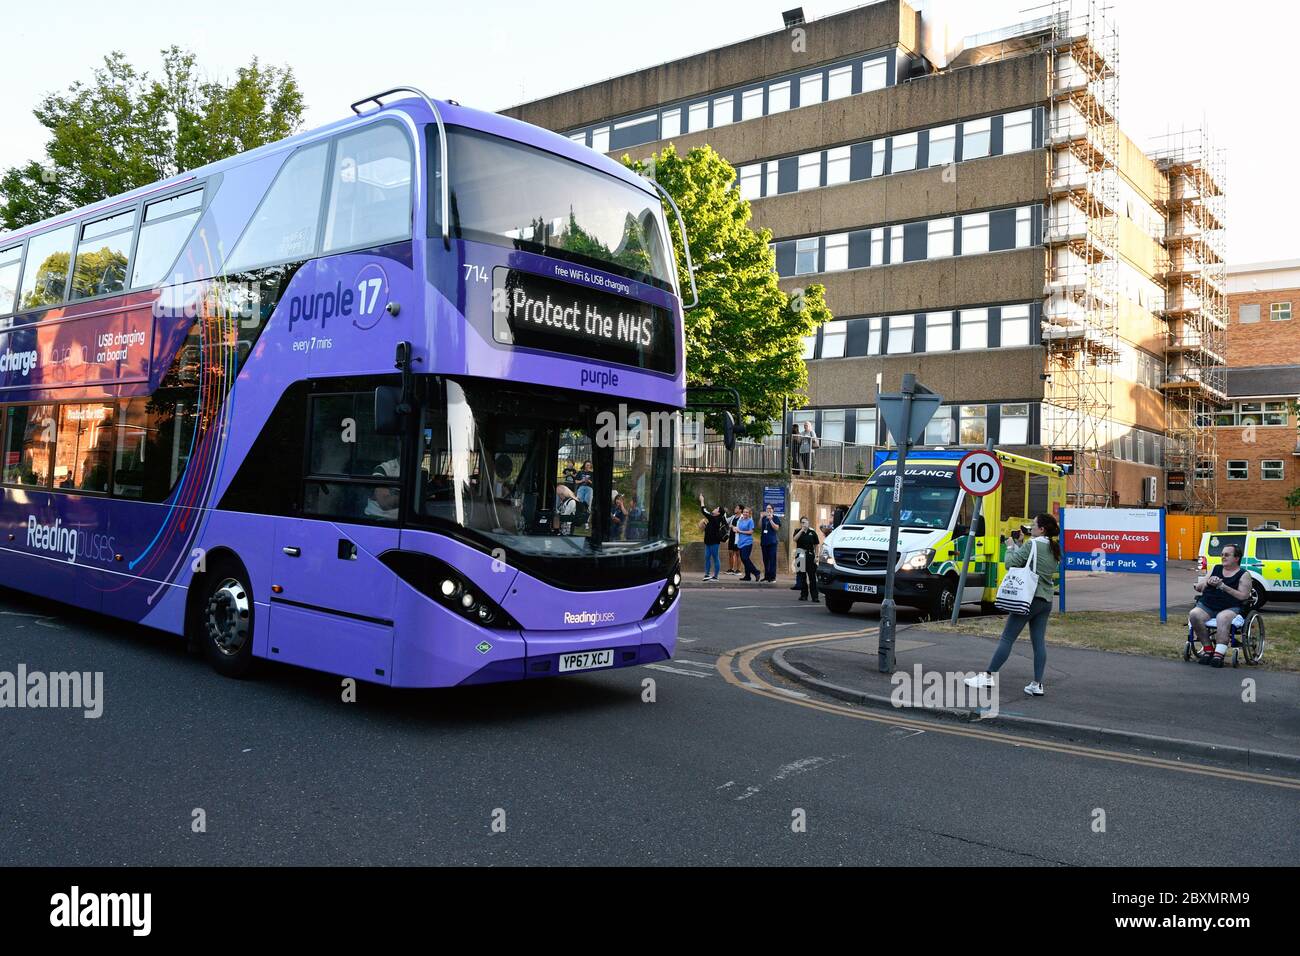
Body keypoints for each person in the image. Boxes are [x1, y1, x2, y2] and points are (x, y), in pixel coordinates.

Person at [964, 513, 1061, 697]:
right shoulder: (1055, 547)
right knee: (1038, 642)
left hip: (1028, 598)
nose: (1030, 527)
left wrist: (1010, 547)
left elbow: (1010, 564)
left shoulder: (1033, 544)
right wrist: (1020, 545)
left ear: (1041, 529)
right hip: (1045, 600)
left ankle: (988, 675)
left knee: (1007, 638)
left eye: (1034, 525)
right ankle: (1037, 684)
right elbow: (1036, 565)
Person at [1189, 543, 1253, 667]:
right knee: (1194, 614)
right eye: (1222, 554)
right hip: (1208, 605)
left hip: (1230, 607)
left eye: (1227, 555)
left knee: (1222, 618)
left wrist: (1223, 587)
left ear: (1236, 558)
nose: (1223, 557)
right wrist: (1208, 582)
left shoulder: (1244, 575)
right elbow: (1199, 588)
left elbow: (1243, 596)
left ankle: (1219, 654)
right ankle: (1208, 648)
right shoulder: (1216, 568)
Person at [698, 493, 727, 580]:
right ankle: (707, 575)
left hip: (714, 542)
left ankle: (715, 576)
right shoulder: (713, 518)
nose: (714, 509)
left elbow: (704, 511)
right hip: (708, 541)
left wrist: (702, 501)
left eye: (716, 509)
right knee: (707, 557)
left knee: (715, 557)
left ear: (718, 513)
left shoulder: (716, 518)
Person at [792, 516, 821, 602]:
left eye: (806, 522)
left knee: (812, 577)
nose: (804, 524)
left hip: (810, 555)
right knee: (802, 577)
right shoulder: (797, 531)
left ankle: (815, 596)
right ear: (800, 523)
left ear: (808, 523)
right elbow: (794, 539)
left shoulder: (812, 532)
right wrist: (801, 530)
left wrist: (816, 556)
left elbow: (816, 545)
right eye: (803, 522)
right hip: (800, 554)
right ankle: (803, 595)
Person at [735, 506, 762, 582]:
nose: (745, 513)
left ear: (749, 513)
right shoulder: (740, 520)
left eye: (747, 512)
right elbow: (738, 530)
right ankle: (747, 576)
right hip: (741, 542)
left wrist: (740, 531)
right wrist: (736, 530)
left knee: (745, 558)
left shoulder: (750, 521)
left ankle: (756, 572)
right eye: (744, 512)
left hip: (747, 542)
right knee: (744, 560)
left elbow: (751, 532)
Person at [759, 503, 781, 582]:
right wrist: (761, 518)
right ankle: (766, 576)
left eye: (770, 508)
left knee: (772, 560)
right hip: (764, 542)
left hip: (772, 542)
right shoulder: (764, 518)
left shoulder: (775, 518)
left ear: (773, 510)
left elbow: (776, 528)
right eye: (767, 508)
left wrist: (770, 519)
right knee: (765, 560)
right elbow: (760, 526)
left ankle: (772, 577)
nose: (768, 510)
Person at [725, 504, 743, 575]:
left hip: (738, 537)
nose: (735, 509)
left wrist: (733, 526)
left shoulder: (742, 517)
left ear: (740, 510)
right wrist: (724, 513)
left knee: (738, 554)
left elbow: (742, 527)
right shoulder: (733, 517)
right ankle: (731, 569)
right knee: (730, 553)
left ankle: (738, 570)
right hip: (731, 537)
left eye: (737, 508)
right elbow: (726, 521)